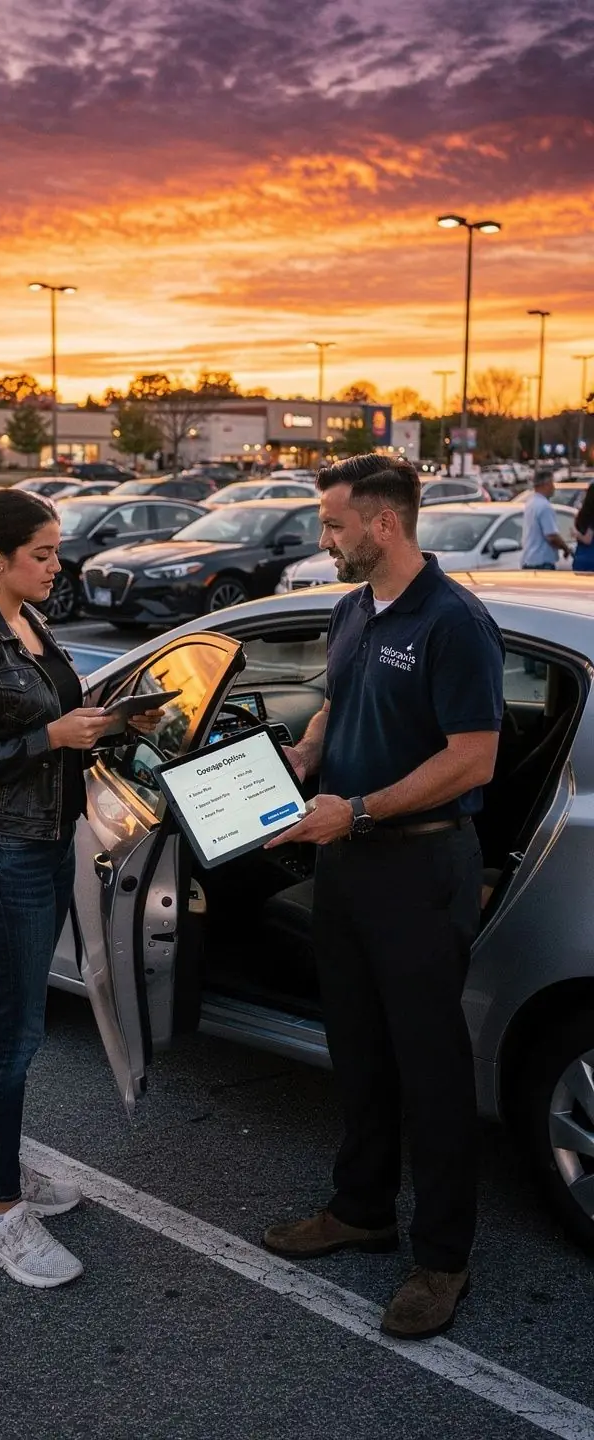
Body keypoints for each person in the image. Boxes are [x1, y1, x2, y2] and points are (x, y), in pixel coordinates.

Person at [261, 453, 504, 1341]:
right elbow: (337, 700)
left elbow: (472, 758)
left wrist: (355, 810)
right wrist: (306, 755)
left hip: (419, 867)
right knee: (356, 1051)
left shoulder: (453, 622)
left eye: (332, 525)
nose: (322, 540)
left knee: (431, 1071)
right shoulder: (352, 609)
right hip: (349, 864)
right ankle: (361, 1209)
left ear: (384, 524)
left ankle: (442, 1259)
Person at [0, 489, 161, 1289]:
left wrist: (108, 721)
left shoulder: (27, 621)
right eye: (43, 554)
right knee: (14, 1036)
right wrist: (50, 738)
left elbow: (56, 715)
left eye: (57, 551)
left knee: (3, 1025)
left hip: (41, 845)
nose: (56, 567)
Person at [521, 472, 571, 571]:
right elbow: (551, 536)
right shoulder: (545, 506)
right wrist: (566, 548)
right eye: (552, 484)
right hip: (542, 562)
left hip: (529, 560)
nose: (554, 488)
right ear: (546, 484)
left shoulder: (530, 503)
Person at [572, 484, 594, 573]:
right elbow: (588, 539)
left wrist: (575, 533)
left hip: (580, 557)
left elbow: (586, 540)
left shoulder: (582, 515)